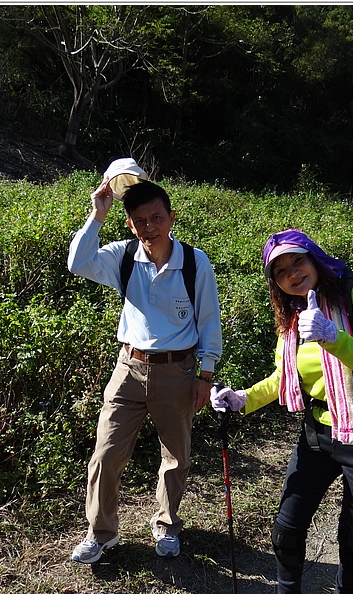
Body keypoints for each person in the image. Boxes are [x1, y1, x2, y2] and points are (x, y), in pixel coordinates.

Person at [211, 229, 353, 594]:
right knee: (287, 526)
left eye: (298, 260)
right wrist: (241, 398)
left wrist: (332, 335)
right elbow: (282, 378)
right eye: (281, 271)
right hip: (317, 435)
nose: (293, 273)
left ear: (315, 258)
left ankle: (348, 591)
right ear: (276, 283)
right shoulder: (295, 319)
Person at [68, 158, 222, 563]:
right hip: (128, 368)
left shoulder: (194, 262)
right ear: (129, 225)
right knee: (105, 454)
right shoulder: (121, 257)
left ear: (171, 217)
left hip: (179, 369)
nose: (150, 226)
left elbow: (209, 320)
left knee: (176, 456)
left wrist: (206, 374)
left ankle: (167, 525)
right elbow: (77, 263)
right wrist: (97, 214)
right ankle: (101, 533)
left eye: (157, 217)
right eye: (140, 220)